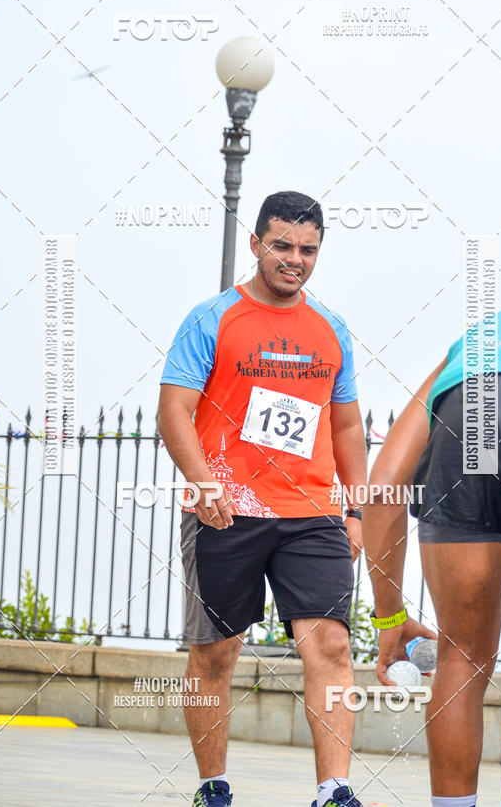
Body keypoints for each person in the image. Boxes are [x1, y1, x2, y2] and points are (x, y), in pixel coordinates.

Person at [158, 191, 369, 807]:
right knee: (215, 653)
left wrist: (353, 509)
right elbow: (174, 410)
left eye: (307, 249)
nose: (294, 260)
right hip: (228, 511)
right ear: (255, 244)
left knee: (330, 644)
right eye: (281, 246)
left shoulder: (331, 329)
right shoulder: (211, 318)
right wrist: (203, 482)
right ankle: (212, 787)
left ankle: (334, 790)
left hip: (312, 515)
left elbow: (347, 426)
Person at [363, 305, 501, 807]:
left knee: (463, 656)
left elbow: (383, 488)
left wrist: (389, 617)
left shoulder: (462, 357)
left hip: (468, 411)